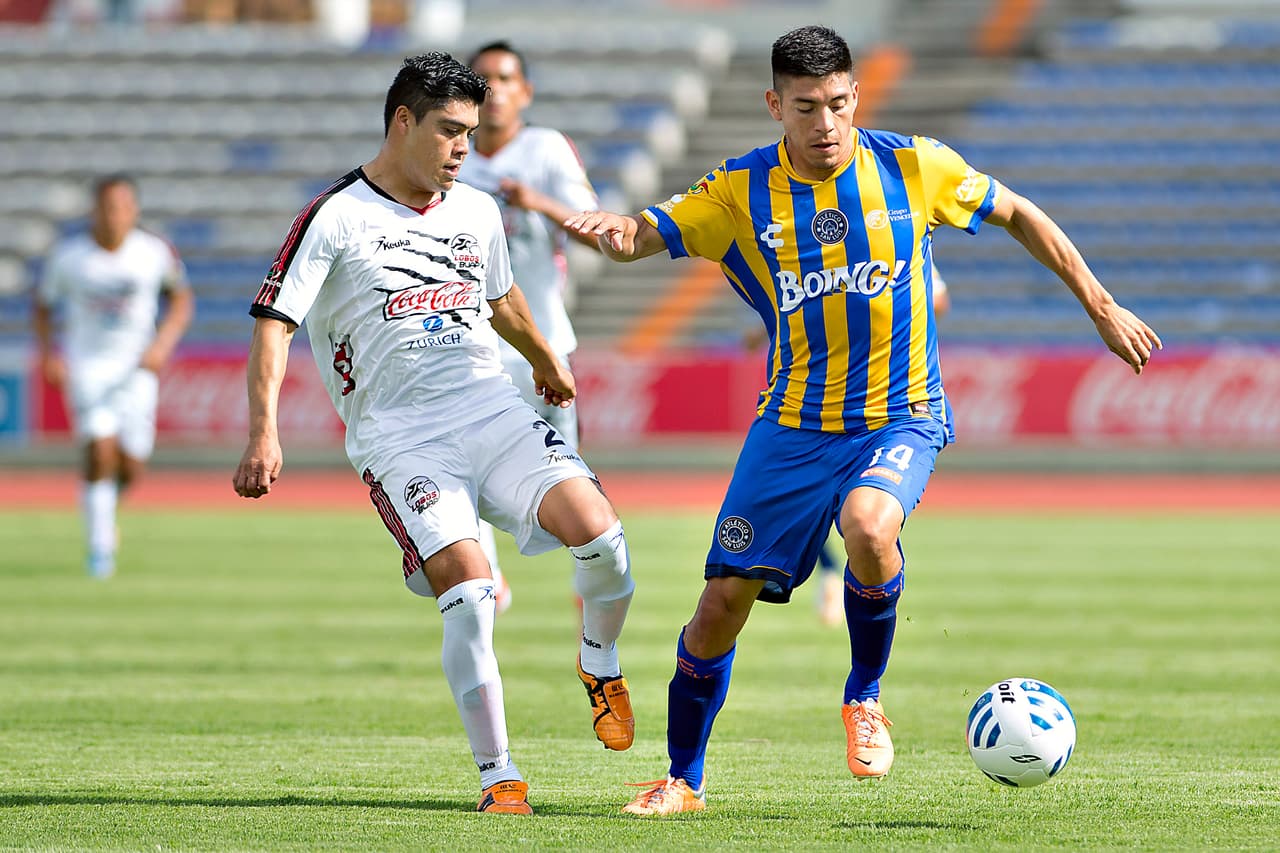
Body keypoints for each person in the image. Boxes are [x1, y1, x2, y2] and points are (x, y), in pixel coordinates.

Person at [565, 25, 1161, 816]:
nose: (825, 124)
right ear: (774, 104)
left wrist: (1101, 302)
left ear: (857, 99)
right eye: (806, 107)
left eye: (839, 105)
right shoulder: (740, 189)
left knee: (870, 525)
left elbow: (1018, 211)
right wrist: (616, 234)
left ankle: (865, 695)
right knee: (718, 609)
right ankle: (683, 780)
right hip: (792, 426)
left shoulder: (914, 165)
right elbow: (648, 235)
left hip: (900, 412)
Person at [231, 53, 636, 816]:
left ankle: (598, 660)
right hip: (400, 438)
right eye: (450, 131)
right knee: (472, 589)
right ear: (403, 122)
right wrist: (264, 433)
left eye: (472, 134)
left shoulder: (475, 210)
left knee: (605, 538)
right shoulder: (335, 215)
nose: (463, 148)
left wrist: (547, 359)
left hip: (493, 410)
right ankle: (500, 776)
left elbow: (503, 297)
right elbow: (274, 326)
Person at [459, 40, 603, 614]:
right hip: (472, 346)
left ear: (526, 91)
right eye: (483, 78)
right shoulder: (451, 154)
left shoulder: (545, 149)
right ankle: (487, 577)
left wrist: (536, 201)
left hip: (544, 341)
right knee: (462, 461)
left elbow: (596, 231)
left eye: (505, 77)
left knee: (570, 475)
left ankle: (589, 577)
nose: (494, 89)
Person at [744, 262, 951, 627]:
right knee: (800, 488)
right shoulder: (802, 238)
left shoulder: (896, 237)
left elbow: (938, 299)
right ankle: (819, 566)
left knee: (861, 511)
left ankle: (831, 570)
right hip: (808, 391)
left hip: (876, 395)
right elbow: (787, 304)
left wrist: (874, 311)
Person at [34, 174, 194, 579]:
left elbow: (180, 300)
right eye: (107, 207)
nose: (114, 215)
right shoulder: (70, 257)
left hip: (137, 369)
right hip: (88, 366)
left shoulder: (153, 252)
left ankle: (102, 505)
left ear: (133, 210)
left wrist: (161, 346)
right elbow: (42, 306)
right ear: (94, 210)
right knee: (99, 449)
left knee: (131, 465)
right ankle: (100, 549)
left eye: (122, 207)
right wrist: (49, 353)